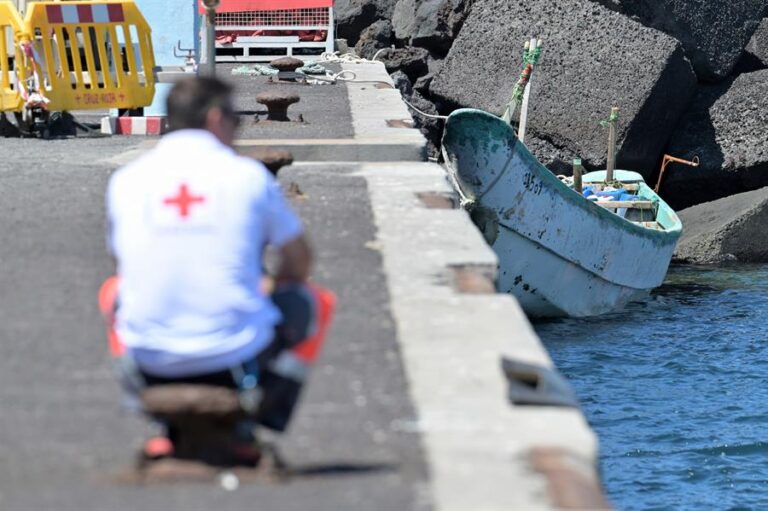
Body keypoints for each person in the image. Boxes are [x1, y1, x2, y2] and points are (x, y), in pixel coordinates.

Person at [102, 77, 329, 459]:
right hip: (235, 359)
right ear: (214, 118)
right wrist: (266, 286)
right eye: (236, 119)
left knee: (112, 292)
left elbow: (126, 263)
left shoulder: (127, 180)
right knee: (313, 301)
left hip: (150, 362)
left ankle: (161, 423)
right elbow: (300, 262)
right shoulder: (247, 176)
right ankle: (257, 419)